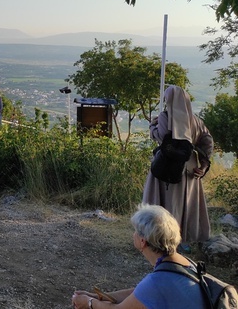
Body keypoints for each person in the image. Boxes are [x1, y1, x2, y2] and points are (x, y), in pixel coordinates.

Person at [71, 204, 205, 309]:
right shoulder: (184, 264)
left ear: (143, 241)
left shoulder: (157, 281)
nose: (133, 234)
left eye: (135, 231)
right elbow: (139, 294)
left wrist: (89, 303)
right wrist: (98, 296)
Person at [143, 85, 213, 245]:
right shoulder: (196, 121)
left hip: (167, 167)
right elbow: (208, 142)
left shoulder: (165, 117)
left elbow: (160, 137)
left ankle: (161, 238)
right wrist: (202, 166)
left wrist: (152, 126)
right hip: (190, 167)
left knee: (166, 205)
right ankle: (186, 240)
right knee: (187, 204)